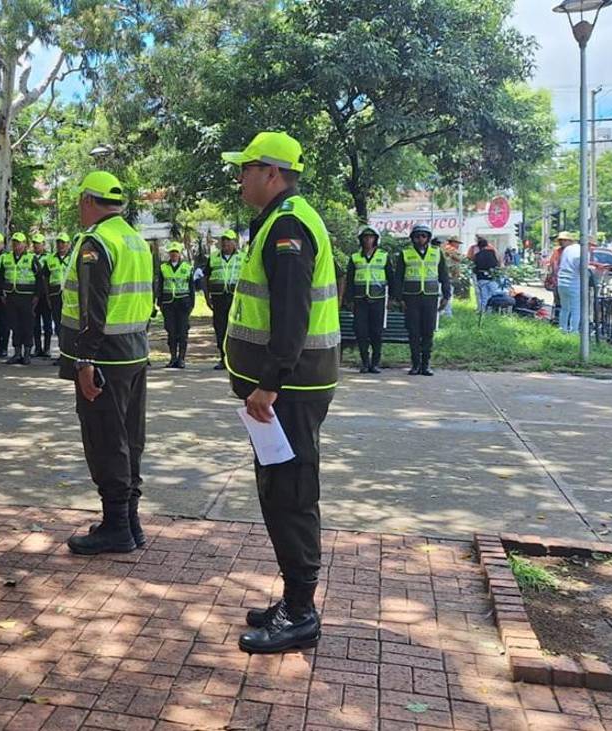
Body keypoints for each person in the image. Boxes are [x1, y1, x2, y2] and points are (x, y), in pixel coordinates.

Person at [221, 131, 340, 654]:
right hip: (287, 387)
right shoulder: (279, 220)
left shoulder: (288, 225)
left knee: (290, 493)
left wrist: (270, 383)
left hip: (289, 389)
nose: (239, 176)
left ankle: (300, 612)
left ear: (271, 172)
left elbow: (292, 314)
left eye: (245, 167)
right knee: (279, 489)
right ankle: (293, 599)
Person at [58, 170, 154, 556]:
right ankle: (129, 519)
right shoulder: (135, 240)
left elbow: (90, 309)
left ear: (87, 200)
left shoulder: (95, 243)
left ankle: (116, 526)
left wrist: (84, 359)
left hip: (102, 358)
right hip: (133, 351)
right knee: (130, 438)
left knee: (104, 439)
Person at [394, 223, 450, 376]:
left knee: (428, 331)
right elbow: (398, 278)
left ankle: (426, 365)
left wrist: (446, 296)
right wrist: (399, 298)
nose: (420, 239)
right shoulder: (405, 254)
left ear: (428, 238)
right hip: (411, 299)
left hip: (430, 298)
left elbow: (444, 276)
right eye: (417, 236)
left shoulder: (437, 253)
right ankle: (415, 364)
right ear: (413, 238)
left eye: (423, 236)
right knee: (413, 332)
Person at [343, 226, 391, 373]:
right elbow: (349, 280)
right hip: (360, 300)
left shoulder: (383, 256)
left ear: (375, 239)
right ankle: (365, 362)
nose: (368, 240)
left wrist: (393, 298)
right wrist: (348, 300)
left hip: (378, 299)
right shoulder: (355, 258)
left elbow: (391, 278)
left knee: (376, 332)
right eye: (365, 237)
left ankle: (375, 363)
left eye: (371, 237)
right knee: (361, 332)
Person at [0, 232, 44, 364]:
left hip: (27, 298)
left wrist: (36, 296)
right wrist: (1, 294)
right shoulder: (6, 258)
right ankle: (17, 353)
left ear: (25, 244)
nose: (16, 245)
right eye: (14, 243)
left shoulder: (31, 258)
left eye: (19, 243)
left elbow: (39, 278)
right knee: (14, 325)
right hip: (11, 297)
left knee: (27, 325)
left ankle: (27, 353)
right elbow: (0, 278)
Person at [202, 229, 243, 370]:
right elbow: (205, 277)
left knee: (236, 329)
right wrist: (207, 297)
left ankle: (236, 360)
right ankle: (223, 358)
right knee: (220, 328)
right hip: (219, 298)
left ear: (234, 243)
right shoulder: (213, 257)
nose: (225, 243)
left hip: (236, 298)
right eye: (223, 241)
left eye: (228, 241)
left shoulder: (242, 257)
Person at [155, 241, 195, 368]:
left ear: (179, 254)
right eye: (171, 252)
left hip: (183, 303)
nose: (173, 255)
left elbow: (191, 287)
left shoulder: (187, 267)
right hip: (168, 303)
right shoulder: (163, 267)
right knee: (171, 332)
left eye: (175, 252)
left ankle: (181, 359)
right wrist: (159, 301)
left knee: (183, 332)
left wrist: (191, 303)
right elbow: (160, 285)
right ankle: (173, 358)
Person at [48, 234, 72, 364]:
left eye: (63, 243)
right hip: (55, 297)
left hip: (71, 299)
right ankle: (62, 353)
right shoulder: (51, 259)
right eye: (58, 243)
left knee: (71, 326)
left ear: (68, 244)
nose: (61, 245)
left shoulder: (74, 258)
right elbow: (45, 278)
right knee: (59, 326)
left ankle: (71, 354)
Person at [555, 231, 583, 334]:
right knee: (575, 309)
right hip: (573, 282)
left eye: (563, 240)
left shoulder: (566, 250)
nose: (561, 242)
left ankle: (562, 329)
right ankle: (573, 332)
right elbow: (581, 268)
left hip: (562, 281)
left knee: (565, 308)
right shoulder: (581, 251)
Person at [31, 233, 52, 358]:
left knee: (47, 323)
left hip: (45, 295)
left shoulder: (49, 257)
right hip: (34, 295)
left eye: (38, 244)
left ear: (43, 245)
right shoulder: (30, 257)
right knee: (35, 323)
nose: (36, 246)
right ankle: (37, 348)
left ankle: (47, 348)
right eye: (34, 244)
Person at [472, 237, 500, 313]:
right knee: (493, 294)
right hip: (492, 277)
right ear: (487, 245)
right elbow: (497, 263)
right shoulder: (492, 252)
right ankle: (492, 310)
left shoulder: (477, 255)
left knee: (483, 296)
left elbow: (475, 267)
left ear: (479, 247)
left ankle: (483, 311)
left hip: (481, 278)